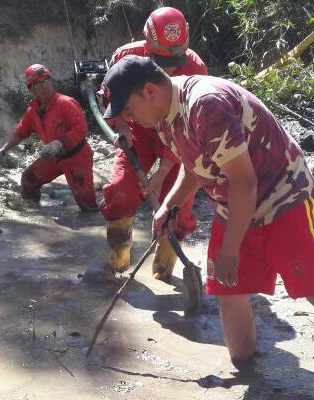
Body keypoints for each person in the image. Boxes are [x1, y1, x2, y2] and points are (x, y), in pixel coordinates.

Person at [100, 55, 314, 375]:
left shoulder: (205, 106)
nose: (130, 119)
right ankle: (248, 372)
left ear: (149, 91)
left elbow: (244, 181)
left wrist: (230, 249)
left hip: (283, 199)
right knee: (228, 292)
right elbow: (195, 164)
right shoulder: (163, 117)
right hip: (234, 205)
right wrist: (170, 204)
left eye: (129, 109)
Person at [86, 7, 208, 283]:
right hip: (140, 133)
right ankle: (119, 256)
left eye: (175, 59)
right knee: (119, 189)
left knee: (176, 205)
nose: (169, 68)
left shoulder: (196, 68)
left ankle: (163, 270)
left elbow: (190, 128)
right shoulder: (125, 58)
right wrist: (122, 128)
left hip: (178, 140)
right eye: (161, 60)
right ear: (147, 46)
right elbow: (111, 99)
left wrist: (163, 172)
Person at [0, 64, 97, 211]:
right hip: (53, 157)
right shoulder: (32, 111)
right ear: (31, 88)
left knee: (87, 204)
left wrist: (59, 143)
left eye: (46, 79)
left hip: (77, 157)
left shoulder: (66, 103)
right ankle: (33, 212)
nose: (44, 85)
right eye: (38, 82)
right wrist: (3, 150)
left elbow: (81, 129)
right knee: (29, 179)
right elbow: (20, 133)